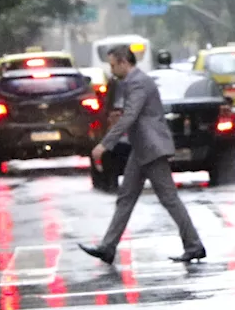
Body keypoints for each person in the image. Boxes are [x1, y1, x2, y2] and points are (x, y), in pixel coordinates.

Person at [78, 45, 206, 265]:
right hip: (142, 149)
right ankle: (108, 248)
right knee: (126, 198)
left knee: (169, 199)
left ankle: (194, 245)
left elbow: (130, 117)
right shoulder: (131, 82)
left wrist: (105, 144)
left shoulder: (138, 82)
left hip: (151, 148)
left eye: (112, 65)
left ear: (123, 62)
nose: (111, 70)